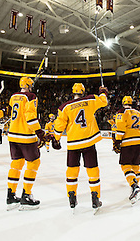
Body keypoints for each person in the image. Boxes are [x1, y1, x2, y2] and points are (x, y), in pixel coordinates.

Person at [53, 83, 108, 212]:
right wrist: (103, 92)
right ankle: (95, 198)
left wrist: (56, 138)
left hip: (73, 143)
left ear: (73, 92)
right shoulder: (90, 99)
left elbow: (59, 125)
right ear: (83, 92)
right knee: (92, 170)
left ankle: (71, 197)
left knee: (72, 171)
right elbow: (104, 102)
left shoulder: (64, 107)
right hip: (89, 141)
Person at [6, 77, 45, 210]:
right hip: (25, 135)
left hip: (12, 134)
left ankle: (10, 195)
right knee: (33, 163)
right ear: (29, 85)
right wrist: (39, 132)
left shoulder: (13, 96)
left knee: (16, 164)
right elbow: (30, 116)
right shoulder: (31, 96)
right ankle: (26, 195)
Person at [113, 96, 140, 204]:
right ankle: (135, 187)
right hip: (139, 140)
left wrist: (117, 141)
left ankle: (134, 186)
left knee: (126, 165)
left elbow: (121, 128)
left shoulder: (121, 112)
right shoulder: (139, 113)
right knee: (135, 166)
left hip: (128, 141)